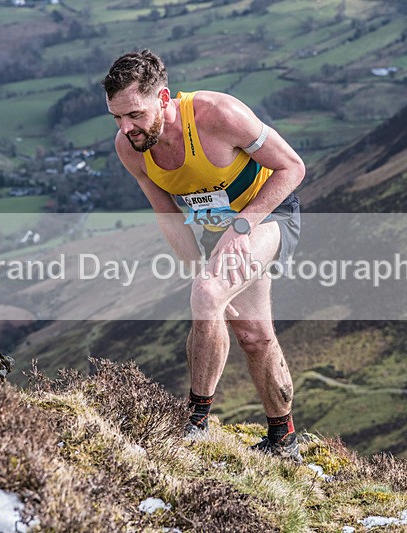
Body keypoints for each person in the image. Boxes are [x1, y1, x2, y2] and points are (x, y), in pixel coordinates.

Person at [103, 50, 304, 461]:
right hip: (219, 233)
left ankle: (194, 425)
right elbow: (168, 215)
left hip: (268, 216)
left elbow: (292, 168)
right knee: (252, 334)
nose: (126, 129)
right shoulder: (131, 148)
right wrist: (198, 269)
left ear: (163, 99)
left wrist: (243, 226)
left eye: (135, 115)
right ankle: (284, 441)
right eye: (117, 118)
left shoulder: (218, 114)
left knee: (209, 294)